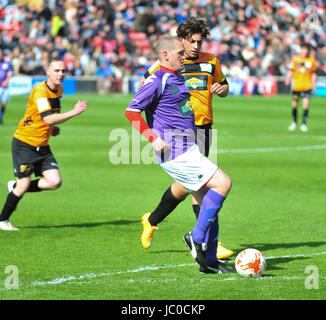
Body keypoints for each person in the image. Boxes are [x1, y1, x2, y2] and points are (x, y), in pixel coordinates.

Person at [125, 35, 234, 274]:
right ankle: (196, 238)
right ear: (164, 55)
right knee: (224, 183)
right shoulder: (156, 80)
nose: (184, 56)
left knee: (207, 200)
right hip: (176, 151)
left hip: (189, 146)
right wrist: (152, 138)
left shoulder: (176, 76)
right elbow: (132, 111)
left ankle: (210, 262)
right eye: (179, 53)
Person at [0, 59, 87, 231]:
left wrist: (52, 129)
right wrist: (73, 112)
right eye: (56, 70)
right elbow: (47, 118)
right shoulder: (40, 91)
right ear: (47, 72)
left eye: (63, 71)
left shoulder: (59, 90)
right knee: (23, 185)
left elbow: (46, 119)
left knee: (55, 182)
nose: (60, 74)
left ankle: (15, 187)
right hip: (25, 143)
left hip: (43, 144)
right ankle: (2, 220)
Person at [285, 44, 317, 132]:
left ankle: (303, 124)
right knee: (294, 105)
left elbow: (313, 73)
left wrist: (314, 85)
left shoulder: (311, 60)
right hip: (297, 87)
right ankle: (294, 122)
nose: (304, 51)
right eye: (303, 49)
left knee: (305, 105)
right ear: (301, 49)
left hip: (307, 86)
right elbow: (292, 70)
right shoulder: (295, 59)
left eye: (306, 49)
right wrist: (288, 78)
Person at [0, 49, 13, 124]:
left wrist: (6, 81)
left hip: (4, 87)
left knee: (4, 103)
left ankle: (0, 117)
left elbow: (9, 74)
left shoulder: (7, 63)